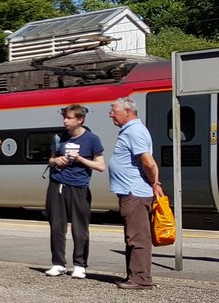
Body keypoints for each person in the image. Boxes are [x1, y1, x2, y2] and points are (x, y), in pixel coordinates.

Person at [107, 97, 163, 289]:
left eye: (114, 110)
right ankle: (134, 276)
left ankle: (141, 279)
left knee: (137, 236)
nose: (110, 114)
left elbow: (148, 161)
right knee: (133, 235)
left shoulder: (134, 131)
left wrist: (154, 182)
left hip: (135, 192)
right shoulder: (132, 131)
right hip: (132, 191)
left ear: (127, 111)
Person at [45, 104, 106, 279]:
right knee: (57, 226)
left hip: (79, 187)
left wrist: (80, 159)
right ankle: (58, 263)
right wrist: (56, 161)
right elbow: (50, 160)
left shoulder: (92, 139)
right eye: (64, 117)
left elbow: (100, 166)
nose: (65, 121)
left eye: (69, 118)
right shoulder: (59, 137)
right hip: (57, 185)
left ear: (80, 120)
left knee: (79, 228)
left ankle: (80, 264)